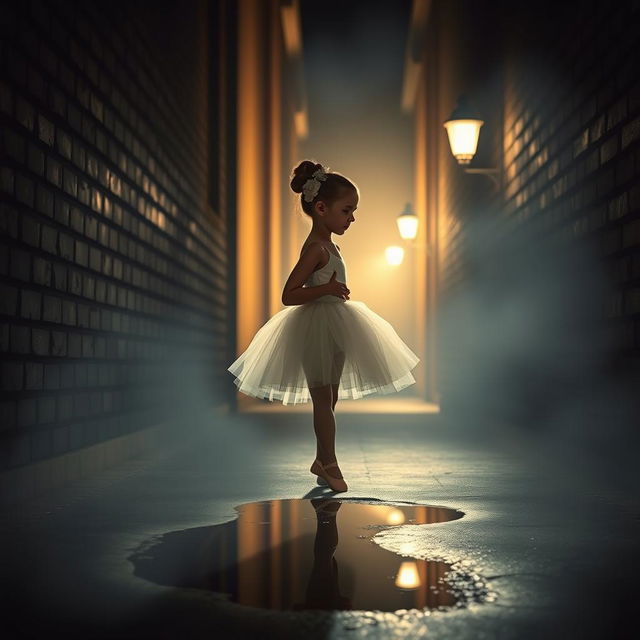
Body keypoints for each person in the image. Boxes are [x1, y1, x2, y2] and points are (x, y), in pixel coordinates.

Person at [227, 161, 420, 492]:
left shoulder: (333, 246)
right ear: (320, 207)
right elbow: (289, 294)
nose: (352, 218)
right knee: (322, 399)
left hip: (336, 324)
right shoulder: (316, 248)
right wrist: (327, 290)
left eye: (353, 211)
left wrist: (333, 292)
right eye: (347, 210)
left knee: (329, 399)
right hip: (315, 327)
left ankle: (321, 458)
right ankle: (329, 463)